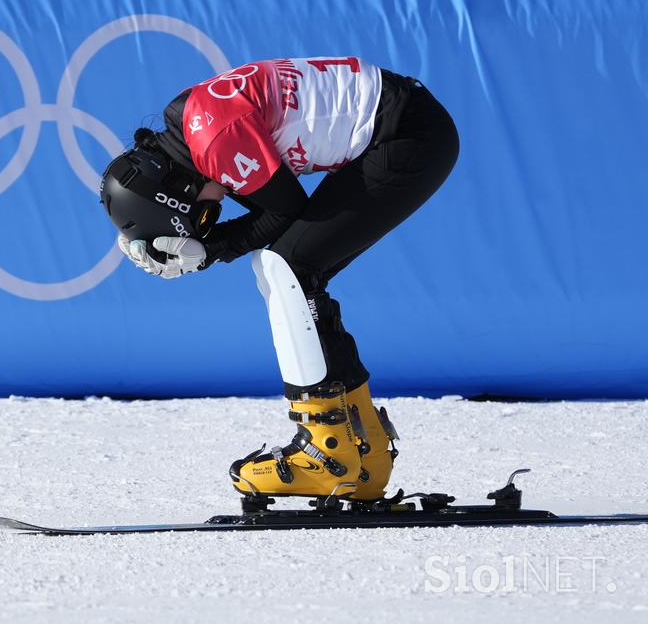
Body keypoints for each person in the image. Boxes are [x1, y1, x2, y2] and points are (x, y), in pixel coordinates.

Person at [99, 57, 459, 503]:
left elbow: (283, 210)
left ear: (177, 193)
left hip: (406, 134)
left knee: (286, 267)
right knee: (295, 268)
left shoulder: (211, 142)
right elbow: (277, 207)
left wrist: (210, 250)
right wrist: (206, 244)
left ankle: (329, 452)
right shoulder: (191, 127)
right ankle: (360, 449)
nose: (213, 217)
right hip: (403, 122)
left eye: (204, 217)